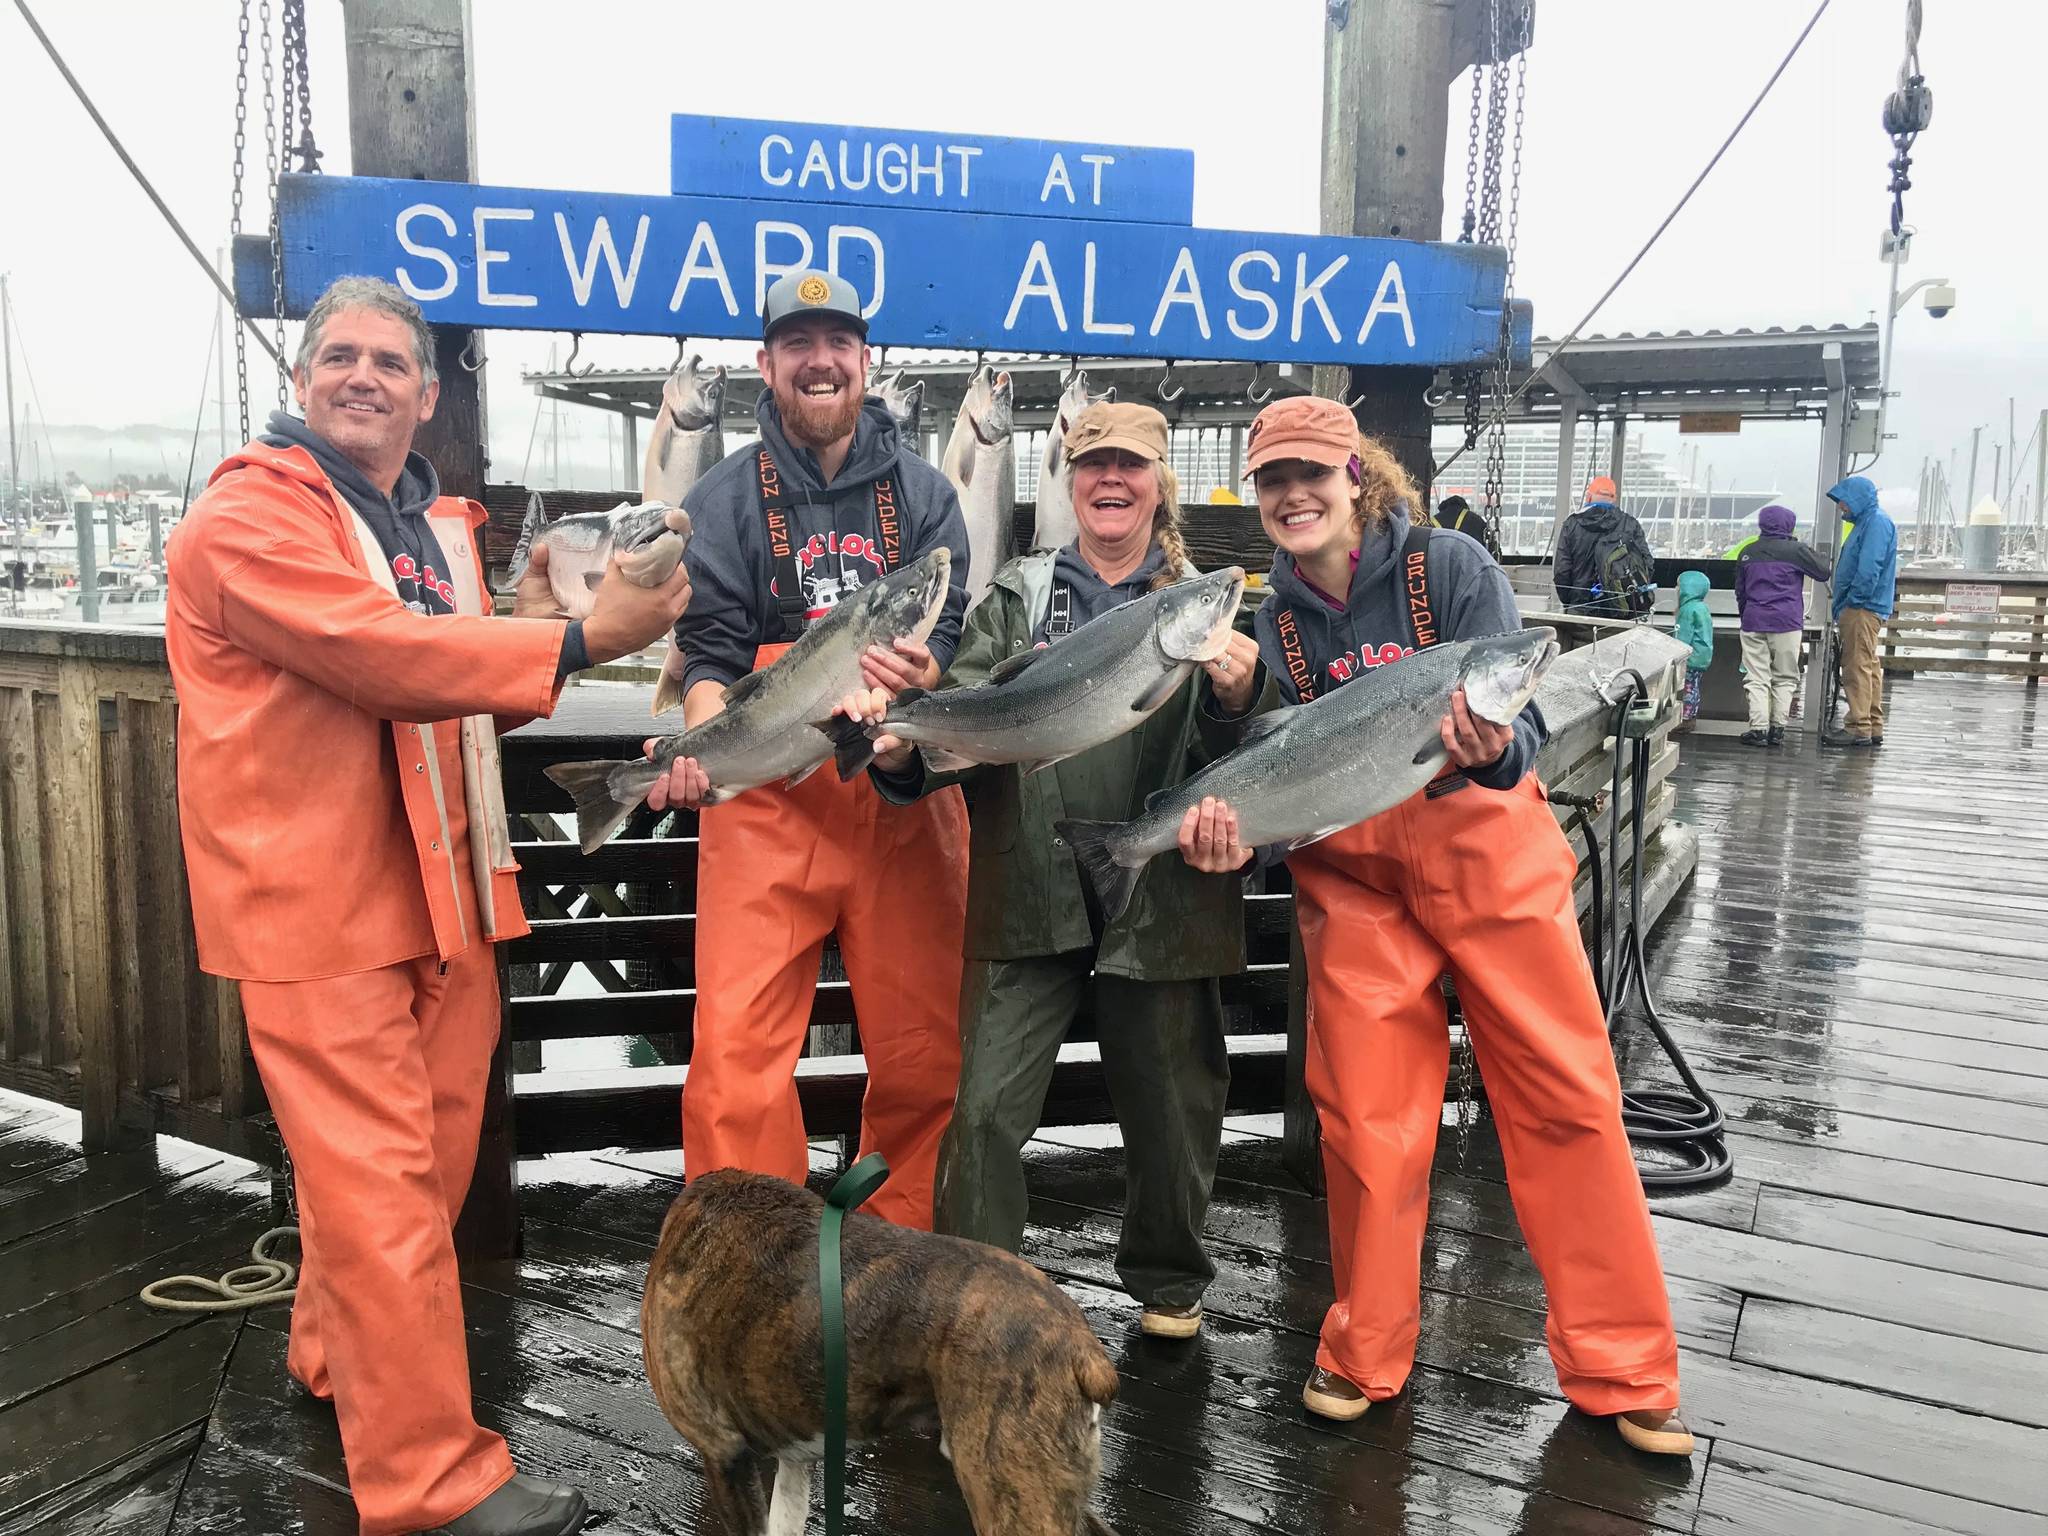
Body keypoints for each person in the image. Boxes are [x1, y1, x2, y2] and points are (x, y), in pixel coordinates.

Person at [166, 277, 690, 1536]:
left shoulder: (423, 525)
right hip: (316, 915)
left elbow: (460, 685)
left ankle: (337, 1360)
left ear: (428, 393)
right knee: (384, 1196)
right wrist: (580, 643)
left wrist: (553, 621)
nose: (362, 376)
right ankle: (427, 1485)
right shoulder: (245, 522)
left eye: (389, 362)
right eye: (337, 355)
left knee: (421, 1176)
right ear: (300, 382)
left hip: (445, 895)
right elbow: (382, 657)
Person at [1178, 395, 1693, 1457]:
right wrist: (1240, 831)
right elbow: (1283, 769)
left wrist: (1496, 751)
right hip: (1355, 882)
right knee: (1365, 1120)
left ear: (1354, 477)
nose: (1292, 496)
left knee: (1565, 1098)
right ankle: (1364, 1347)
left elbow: (1526, 712)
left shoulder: (1448, 570)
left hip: (1484, 854)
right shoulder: (1270, 619)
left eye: (1310, 474)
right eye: (1271, 480)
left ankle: (1621, 1365)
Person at [833, 399, 1266, 1338]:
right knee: (983, 1111)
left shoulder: (1216, 610)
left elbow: (1244, 753)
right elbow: (964, 728)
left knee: (1173, 1103)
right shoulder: (1014, 596)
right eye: (1092, 463)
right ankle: (973, 1296)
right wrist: (903, 748)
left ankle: (1169, 1283)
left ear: (1161, 483)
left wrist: (1238, 697)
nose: (1111, 480)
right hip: (1027, 889)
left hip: (1168, 891)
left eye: (1131, 465)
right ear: (1069, 481)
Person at [641, 269, 971, 1228]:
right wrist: (704, 744)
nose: (819, 362)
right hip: (766, 802)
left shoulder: (927, 497)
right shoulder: (724, 497)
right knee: (737, 1064)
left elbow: (945, 650)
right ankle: (753, 1269)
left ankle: (897, 1262)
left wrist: (914, 676)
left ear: (865, 362)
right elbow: (708, 654)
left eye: (838, 343)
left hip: (901, 796)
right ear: (767, 365)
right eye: (798, 345)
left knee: (922, 1055)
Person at [1734, 504, 1832, 746]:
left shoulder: (1748, 551)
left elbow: (1740, 591)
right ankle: (1778, 728)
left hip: (1753, 620)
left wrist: (1746, 614)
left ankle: (1758, 729)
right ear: (1789, 524)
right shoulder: (1796, 550)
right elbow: (1823, 572)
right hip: (1787, 622)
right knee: (1786, 675)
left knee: (1756, 676)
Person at [1822, 475, 1897, 748]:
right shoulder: (1871, 521)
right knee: (1868, 666)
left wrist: (1854, 600)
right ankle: (1872, 724)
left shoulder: (1875, 522)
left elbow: (1869, 567)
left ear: (1857, 498)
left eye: (1844, 499)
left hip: (1862, 608)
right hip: (1866, 606)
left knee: (1855, 667)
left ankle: (1858, 726)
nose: (1841, 505)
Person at [1555, 475, 1655, 624]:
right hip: (1623, 610)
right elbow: (1648, 565)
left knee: (1582, 647)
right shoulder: (1630, 524)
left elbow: (1562, 571)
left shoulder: (1572, 525)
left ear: (1589, 497)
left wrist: (1571, 602)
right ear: (1614, 498)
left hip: (1581, 608)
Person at [1672, 570, 1715, 732]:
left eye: (1678, 585)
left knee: (1688, 686)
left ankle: (1686, 719)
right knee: (1694, 686)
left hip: (1691, 657)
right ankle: (1692, 716)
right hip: (1702, 655)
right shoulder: (1701, 607)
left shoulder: (1688, 610)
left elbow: (1683, 636)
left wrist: (1675, 655)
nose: (1676, 589)